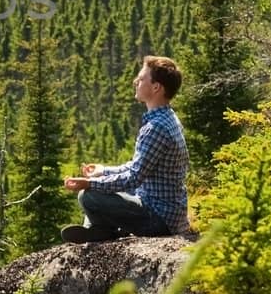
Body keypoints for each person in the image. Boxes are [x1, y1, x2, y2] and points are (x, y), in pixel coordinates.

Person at [61, 55, 189, 243]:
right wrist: (103, 171)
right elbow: (138, 167)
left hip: (159, 219)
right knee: (99, 183)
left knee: (88, 197)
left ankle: (101, 229)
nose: (135, 81)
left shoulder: (156, 128)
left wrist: (89, 184)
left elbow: (134, 178)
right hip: (165, 209)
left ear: (156, 87)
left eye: (142, 78)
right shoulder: (167, 118)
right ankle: (99, 229)